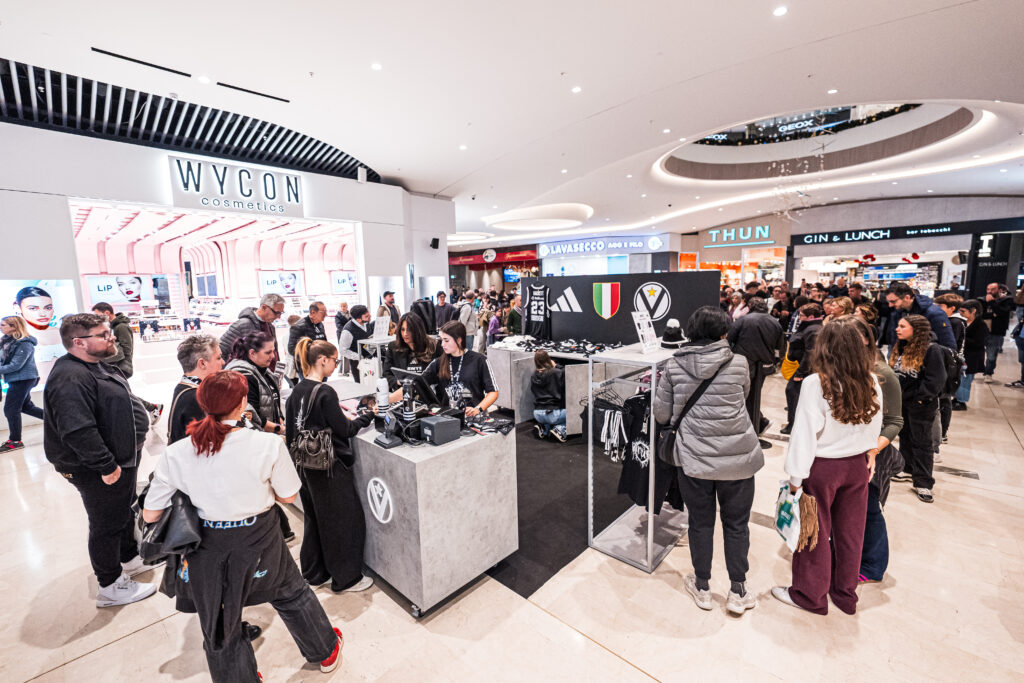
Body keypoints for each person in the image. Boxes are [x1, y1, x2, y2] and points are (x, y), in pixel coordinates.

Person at [142, 371, 344, 681]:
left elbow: (151, 514)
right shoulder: (266, 444)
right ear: (241, 404)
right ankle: (325, 651)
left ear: (202, 403)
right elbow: (289, 496)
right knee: (290, 593)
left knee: (219, 618)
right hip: (260, 538)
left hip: (205, 545)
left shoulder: (177, 453)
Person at [654, 306, 763, 616]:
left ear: (691, 330)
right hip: (738, 458)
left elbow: (661, 414)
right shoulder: (739, 362)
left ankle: (702, 587)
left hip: (694, 458)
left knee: (700, 523)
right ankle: (738, 590)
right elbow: (743, 398)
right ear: (724, 332)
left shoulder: (674, 366)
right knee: (737, 525)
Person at [43, 313, 156, 607]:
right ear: (79, 342)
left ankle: (129, 557)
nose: (112, 337)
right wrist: (105, 464)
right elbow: (77, 429)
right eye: (103, 334)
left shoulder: (95, 365)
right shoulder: (70, 376)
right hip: (96, 467)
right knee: (106, 522)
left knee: (122, 510)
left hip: (120, 457)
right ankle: (110, 585)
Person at [772, 319, 882, 616]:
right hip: (857, 465)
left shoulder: (816, 383)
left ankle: (810, 595)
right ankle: (845, 594)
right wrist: (868, 453)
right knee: (851, 532)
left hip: (823, 467)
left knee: (813, 531)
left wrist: (796, 478)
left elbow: (804, 435)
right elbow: (875, 424)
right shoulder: (872, 381)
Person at [287, 338, 377, 589]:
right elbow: (346, 430)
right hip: (328, 467)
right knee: (343, 521)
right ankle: (347, 578)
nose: (336, 365)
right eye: (335, 361)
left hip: (305, 466)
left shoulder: (297, 390)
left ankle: (316, 573)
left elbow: (293, 431)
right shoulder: (325, 392)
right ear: (322, 360)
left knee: (316, 519)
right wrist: (368, 416)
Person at [830, 316, 903, 585]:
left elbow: (895, 421)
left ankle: (872, 566)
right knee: (842, 509)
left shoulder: (882, 374)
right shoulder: (835, 369)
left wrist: (873, 450)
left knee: (870, 509)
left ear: (865, 340)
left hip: (871, 454)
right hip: (841, 452)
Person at [889, 315, 946, 503]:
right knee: (905, 436)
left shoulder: (932, 349)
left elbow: (936, 379)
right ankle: (907, 469)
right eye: (898, 325)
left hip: (921, 405)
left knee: (922, 443)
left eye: (902, 326)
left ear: (916, 329)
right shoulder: (902, 345)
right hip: (903, 402)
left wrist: (921, 400)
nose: (897, 329)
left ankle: (923, 482)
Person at [390, 321, 498, 416]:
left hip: (474, 418)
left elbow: (493, 392)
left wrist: (478, 409)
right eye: (441, 340)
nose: (442, 344)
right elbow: (415, 385)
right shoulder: (438, 362)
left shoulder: (479, 360)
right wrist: (387, 400)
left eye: (446, 340)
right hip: (448, 418)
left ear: (459, 340)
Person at [92, 301, 163, 422]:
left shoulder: (121, 327)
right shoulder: (113, 326)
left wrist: (104, 357)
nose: (96, 318)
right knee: (122, 393)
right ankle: (152, 408)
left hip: (121, 366)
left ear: (107, 313)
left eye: (97, 315)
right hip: (115, 366)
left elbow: (126, 350)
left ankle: (152, 408)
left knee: (123, 394)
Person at [727, 297, 784, 445]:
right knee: (754, 395)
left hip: (743, 364)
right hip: (763, 365)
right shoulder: (774, 322)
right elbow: (780, 347)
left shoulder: (743, 320)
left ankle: (755, 425)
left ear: (750, 306)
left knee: (743, 396)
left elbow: (729, 339)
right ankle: (758, 423)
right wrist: (774, 362)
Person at [168, 334, 225, 444]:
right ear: (202, 363)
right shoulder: (195, 397)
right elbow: (206, 445)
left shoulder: (184, 388)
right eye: (218, 358)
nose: (223, 362)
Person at [0, 316, 45, 453]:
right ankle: (59, 421)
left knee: (10, 409)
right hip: (16, 379)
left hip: (23, 379)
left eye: (3, 325)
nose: (0, 327)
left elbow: (16, 365)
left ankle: (15, 441)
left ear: (14, 327)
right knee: (26, 407)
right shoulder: (6, 341)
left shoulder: (24, 343)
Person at [781, 303, 824, 435]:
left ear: (810, 317)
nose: (799, 317)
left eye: (801, 315)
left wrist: (800, 372)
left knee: (793, 393)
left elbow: (811, 353)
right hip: (802, 367)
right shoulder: (810, 327)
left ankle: (794, 424)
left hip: (805, 370)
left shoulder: (813, 329)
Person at [218, 293, 285, 366]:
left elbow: (275, 352)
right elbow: (221, 350)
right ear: (264, 307)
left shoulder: (271, 326)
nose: (279, 317)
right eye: (277, 313)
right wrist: (231, 370)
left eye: (281, 313)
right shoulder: (242, 325)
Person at [885, 282, 956, 349]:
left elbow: (948, 345)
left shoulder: (934, 313)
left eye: (893, 301)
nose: (890, 305)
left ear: (907, 297)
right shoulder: (898, 312)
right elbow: (895, 338)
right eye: (889, 302)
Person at [934, 293, 966, 441]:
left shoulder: (955, 322)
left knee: (944, 399)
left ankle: (943, 432)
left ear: (952, 308)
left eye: (940, 306)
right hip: (948, 363)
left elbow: (949, 346)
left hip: (949, 365)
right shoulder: (953, 321)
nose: (937, 309)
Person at [382, 313, 441, 390]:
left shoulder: (434, 346)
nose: (405, 334)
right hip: (403, 391)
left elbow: (441, 374)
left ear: (418, 330)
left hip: (428, 391)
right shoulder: (393, 347)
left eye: (409, 330)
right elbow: (386, 374)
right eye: (403, 329)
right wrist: (398, 382)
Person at [953, 300, 988, 409]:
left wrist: (961, 338)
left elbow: (979, 342)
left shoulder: (981, 325)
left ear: (973, 311)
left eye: (963, 311)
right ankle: (957, 398)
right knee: (959, 379)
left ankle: (961, 401)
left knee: (965, 380)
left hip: (972, 358)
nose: (960, 313)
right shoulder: (962, 322)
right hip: (961, 356)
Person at [980, 282, 1015, 382]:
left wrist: (992, 303)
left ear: (999, 290)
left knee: (991, 355)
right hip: (982, 330)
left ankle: (988, 372)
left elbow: (1002, 312)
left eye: (992, 289)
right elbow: (980, 314)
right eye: (988, 289)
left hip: (996, 331)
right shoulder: (982, 299)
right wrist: (993, 315)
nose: (989, 291)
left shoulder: (1007, 300)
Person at [530, 350, 566, 442]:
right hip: (553, 413)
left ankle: (544, 427)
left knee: (550, 418)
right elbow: (567, 371)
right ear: (548, 359)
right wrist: (555, 365)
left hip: (537, 414)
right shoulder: (555, 372)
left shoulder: (533, 375)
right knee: (576, 412)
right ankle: (560, 429)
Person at [287, 301, 328, 378]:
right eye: (323, 312)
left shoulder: (320, 324)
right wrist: (311, 358)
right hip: (307, 368)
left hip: (322, 365)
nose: (326, 314)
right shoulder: (298, 327)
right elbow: (292, 349)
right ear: (313, 312)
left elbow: (324, 342)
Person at [339, 304, 373, 382]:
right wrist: (359, 357)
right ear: (358, 319)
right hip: (358, 364)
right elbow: (343, 350)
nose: (369, 317)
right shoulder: (348, 331)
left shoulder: (366, 323)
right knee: (361, 385)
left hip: (370, 360)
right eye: (366, 316)